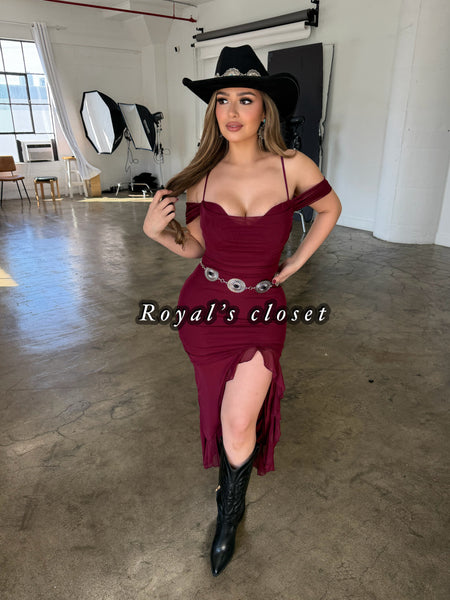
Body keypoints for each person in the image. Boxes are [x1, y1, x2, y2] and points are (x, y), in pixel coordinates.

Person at [143, 45, 341, 576]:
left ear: (264, 109)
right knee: (223, 408)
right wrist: (157, 233)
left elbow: (329, 208)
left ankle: (229, 514)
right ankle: (230, 494)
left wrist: (295, 263)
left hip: (261, 312)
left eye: (245, 99)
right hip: (205, 310)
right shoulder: (202, 176)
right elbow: (195, 248)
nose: (231, 111)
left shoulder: (293, 166)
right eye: (222, 100)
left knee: (237, 420)